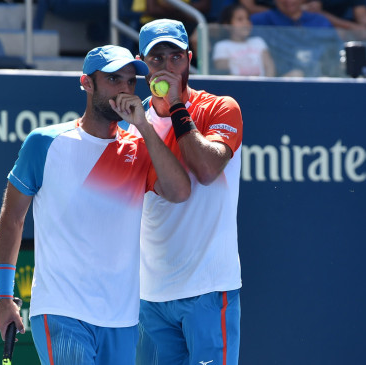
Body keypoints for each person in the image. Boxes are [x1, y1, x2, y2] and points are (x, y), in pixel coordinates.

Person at [0, 45, 191, 365]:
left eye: (130, 82)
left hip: (123, 319)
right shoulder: (44, 142)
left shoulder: (142, 146)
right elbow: (12, 218)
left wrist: (143, 126)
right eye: (113, 79)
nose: (125, 89)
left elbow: (180, 192)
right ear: (87, 83)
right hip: (62, 310)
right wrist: (4, 298)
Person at [129, 19, 243, 365]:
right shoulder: (131, 125)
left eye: (175, 57)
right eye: (156, 59)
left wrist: (177, 106)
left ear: (190, 58)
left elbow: (207, 170)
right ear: (142, 65)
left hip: (209, 290)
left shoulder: (221, 108)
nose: (167, 67)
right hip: (151, 297)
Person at [249, 0, 337, 76]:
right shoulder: (258, 21)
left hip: (316, 82)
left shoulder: (320, 22)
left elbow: (334, 54)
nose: (288, 1)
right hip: (276, 85)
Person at [212, 3, 276, 76]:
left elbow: (269, 67)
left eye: (248, 18)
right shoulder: (222, 46)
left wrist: (266, 85)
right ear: (227, 25)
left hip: (262, 86)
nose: (246, 22)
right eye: (240, 19)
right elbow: (224, 73)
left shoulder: (258, 42)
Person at [302, 0, 366, 48]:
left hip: (344, 29)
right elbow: (313, 12)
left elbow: (362, 15)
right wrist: (351, 27)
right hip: (311, 26)